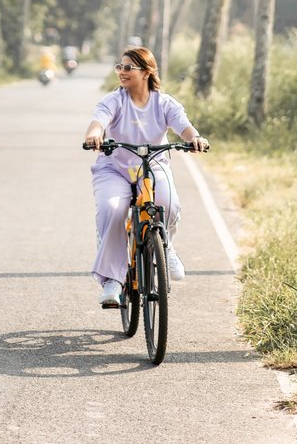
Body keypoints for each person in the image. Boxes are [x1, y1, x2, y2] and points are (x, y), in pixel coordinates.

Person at [83, 46, 209, 308]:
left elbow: (183, 126)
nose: (122, 72)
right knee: (113, 209)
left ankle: (167, 247)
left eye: (129, 67)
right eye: (120, 67)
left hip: (152, 165)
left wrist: (194, 138)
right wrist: (94, 135)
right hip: (114, 168)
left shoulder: (164, 103)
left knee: (168, 203)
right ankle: (112, 281)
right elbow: (99, 121)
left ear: (146, 72)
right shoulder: (114, 100)